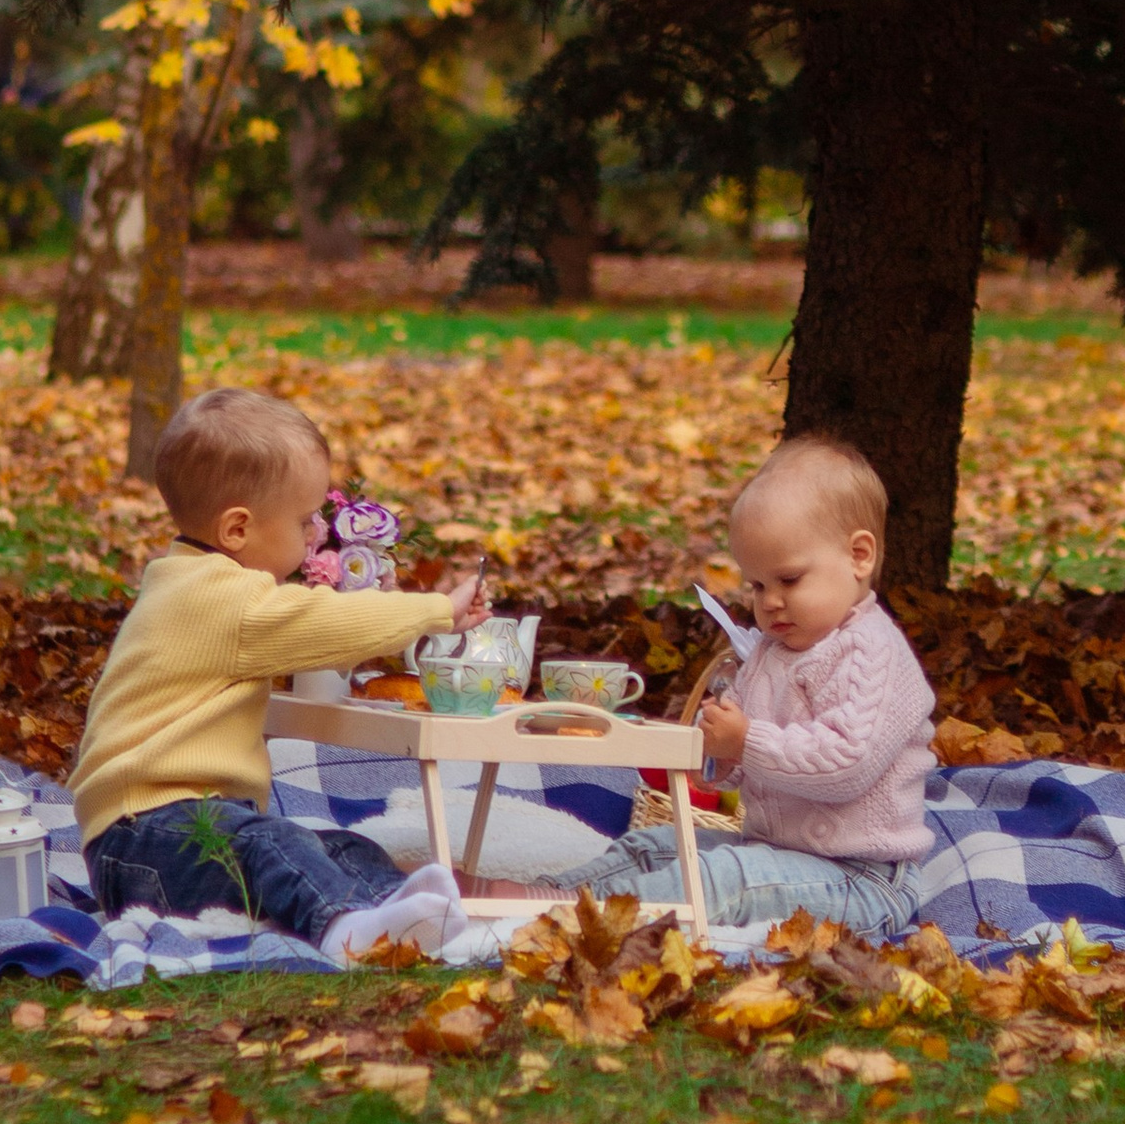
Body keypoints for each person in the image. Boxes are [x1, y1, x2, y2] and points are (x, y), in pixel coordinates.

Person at [69, 384, 484, 960]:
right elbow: (323, 622)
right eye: (304, 520)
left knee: (336, 847)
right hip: (145, 836)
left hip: (175, 831)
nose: (316, 534)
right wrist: (438, 611)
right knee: (272, 845)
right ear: (237, 530)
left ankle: (396, 908)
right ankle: (344, 931)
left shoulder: (193, 581)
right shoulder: (224, 599)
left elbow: (310, 637)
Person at [559, 432, 934, 938]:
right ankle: (548, 895)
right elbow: (731, 773)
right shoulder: (769, 653)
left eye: (789, 580)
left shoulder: (871, 650)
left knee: (723, 878)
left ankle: (585, 923)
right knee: (654, 847)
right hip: (778, 855)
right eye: (757, 585)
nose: (770, 601)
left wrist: (745, 740)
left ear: (859, 556)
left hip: (862, 878)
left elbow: (847, 762)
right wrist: (712, 747)